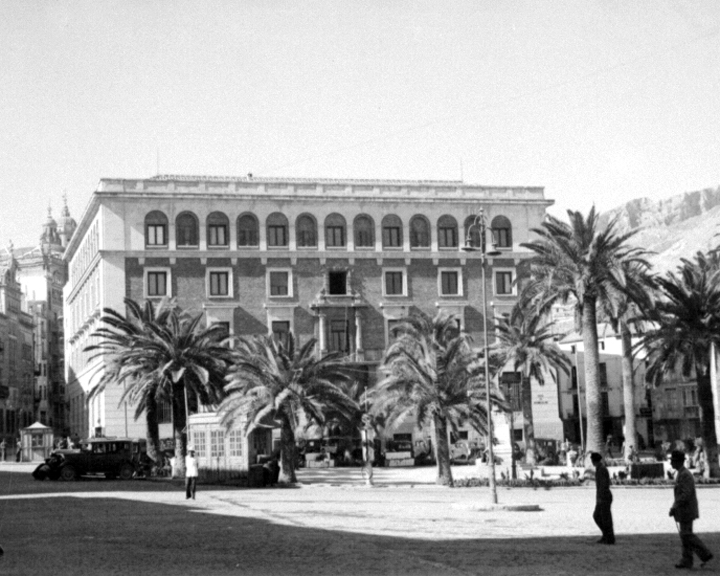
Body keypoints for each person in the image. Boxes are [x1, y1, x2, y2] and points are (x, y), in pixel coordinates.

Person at [669, 450, 713, 569]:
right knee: (684, 535)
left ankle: (705, 553)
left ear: (678, 461)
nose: (671, 463)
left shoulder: (685, 475)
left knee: (686, 534)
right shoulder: (681, 473)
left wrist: (675, 506)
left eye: (673, 461)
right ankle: (686, 560)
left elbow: (685, 494)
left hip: (687, 510)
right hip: (684, 510)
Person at [590, 452, 615, 544]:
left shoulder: (602, 469)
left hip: (604, 496)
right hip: (602, 496)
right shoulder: (599, 468)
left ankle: (608, 537)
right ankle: (607, 535)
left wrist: (600, 497)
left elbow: (604, 485)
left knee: (604, 518)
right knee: (600, 517)